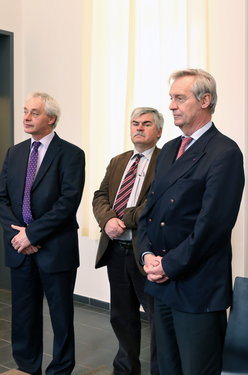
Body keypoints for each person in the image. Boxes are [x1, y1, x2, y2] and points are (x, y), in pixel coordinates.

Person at [137, 69, 245, 375]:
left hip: (197, 286)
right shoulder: (170, 149)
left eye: (179, 98)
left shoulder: (225, 152)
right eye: (171, 98)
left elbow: (212, 227)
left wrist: (167, 266)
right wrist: (146, 256)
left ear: (205, 101)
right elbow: (149, 210)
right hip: (161, 282)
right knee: (166, 367)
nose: (171, 105)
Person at [0, 92, 85, 374]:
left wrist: (32, 235)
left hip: (55, 248)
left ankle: (60, 369)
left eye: (34, 112)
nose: (26, 117)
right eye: (25, 111)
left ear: (51, 118)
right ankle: (27, 367)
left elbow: (67, 203)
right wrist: (19, 237)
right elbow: (2, 199)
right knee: (24, 315)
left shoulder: (71, 154)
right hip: (19, 249)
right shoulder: (14, 152)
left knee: (61, 316)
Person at [92, 107, 163, 375]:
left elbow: (155, 204)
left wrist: (124, 217)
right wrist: (108, 220)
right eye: (135, 123)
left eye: (146, 124)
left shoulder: (165, 161)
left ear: (158, 131)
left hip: (145, 252)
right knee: (122, 316)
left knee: (157, 319)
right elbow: (100, 195)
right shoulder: (118, 160)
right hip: (116, 250)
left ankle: (159, 370)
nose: (139, 128)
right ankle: (125, 369)